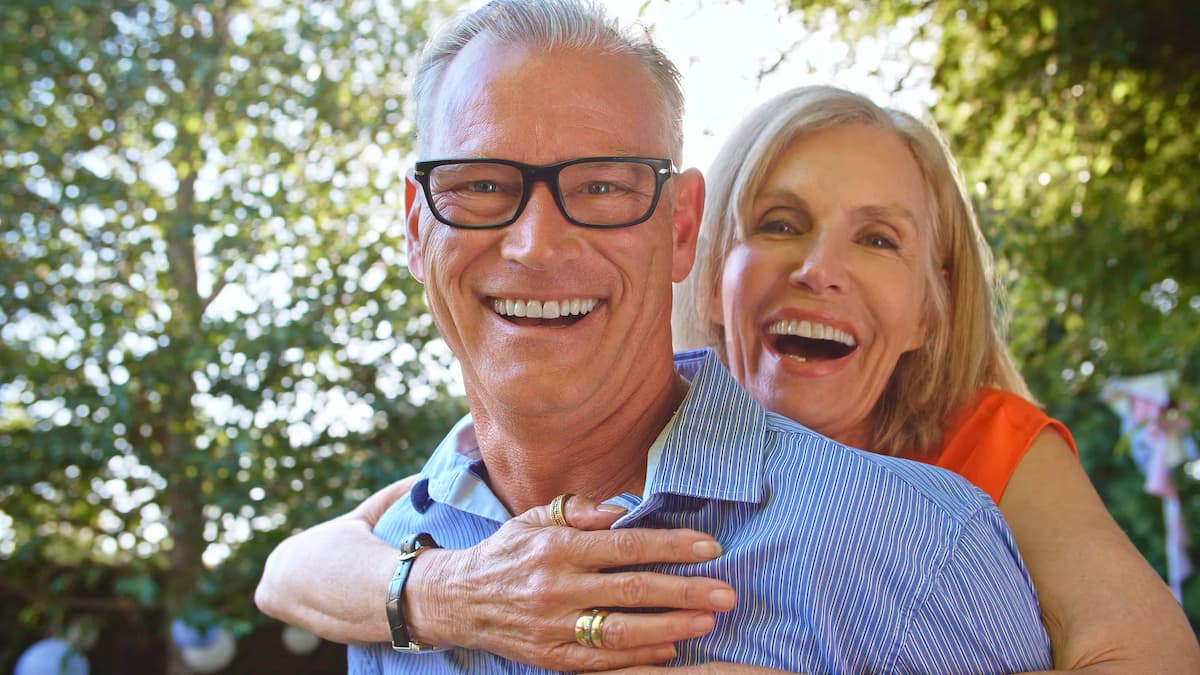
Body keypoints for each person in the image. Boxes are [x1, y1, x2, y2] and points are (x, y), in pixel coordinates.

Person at [271, 0, 1060, 672]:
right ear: (417, 226)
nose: (536, 245)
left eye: (604, 187)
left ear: (682, 226)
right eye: (481, 185)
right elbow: (290, 571)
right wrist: (429, 594)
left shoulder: (915, 542)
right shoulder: (401, 562)